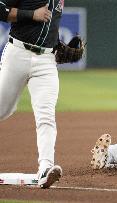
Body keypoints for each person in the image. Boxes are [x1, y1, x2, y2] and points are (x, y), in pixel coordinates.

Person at [0, 0, 64, 188]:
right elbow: (1, 10)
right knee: (3, 110)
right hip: (17, 53)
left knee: (46, 115)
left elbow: (50, 24)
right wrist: (31, 14)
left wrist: (57, 44)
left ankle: (45, 168)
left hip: (46, 61)